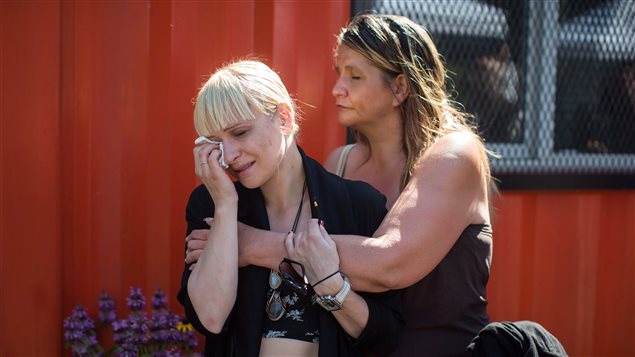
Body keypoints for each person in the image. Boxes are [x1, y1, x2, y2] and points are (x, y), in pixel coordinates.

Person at [186, 14, 493, 356]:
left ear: (400, 87)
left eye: (355, 76)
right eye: (339, 73)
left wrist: (249, 245)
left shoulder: (454, 154)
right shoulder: (341, 164)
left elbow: (387, 265)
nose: (337, 88)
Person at [177, 59, 404, 357]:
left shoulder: (359, 205)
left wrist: (327, 282)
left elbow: (385, 333)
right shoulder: (209, 205)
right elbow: (210, 319)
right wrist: (225, 204)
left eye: (240, 132)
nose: (229, 156)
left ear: (283, 118)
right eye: (216, 142)